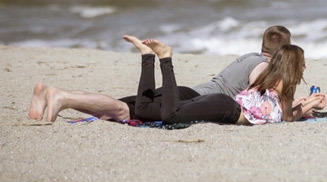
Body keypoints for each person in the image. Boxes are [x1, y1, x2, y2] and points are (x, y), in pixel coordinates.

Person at [28, 35, 326, 124]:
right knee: (168, 115)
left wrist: (302, 104)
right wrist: (305, 105)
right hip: (221, 106)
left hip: (211, 98)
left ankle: (60, 96)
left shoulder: (265, 74)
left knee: (132, 110)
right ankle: (164, 58)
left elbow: (278, 108)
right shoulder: (277, 80)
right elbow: (285, 116)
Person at [114, 25, 291, 119]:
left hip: (188, 93)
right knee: (134, 110)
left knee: (130, 105)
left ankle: (85, 99)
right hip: (192, 100)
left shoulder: (249, 57)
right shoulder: (264, 65)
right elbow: (258, 92)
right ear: (285, 49)